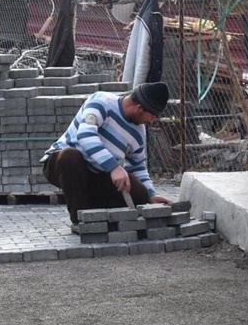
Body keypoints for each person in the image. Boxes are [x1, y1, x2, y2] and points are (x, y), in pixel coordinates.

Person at [41, 81, 174, 226]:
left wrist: (151, 195)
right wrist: (114, 167)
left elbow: (138, 167)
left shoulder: (139, 132)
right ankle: (81, 221)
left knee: (140, 194)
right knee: (70, 156)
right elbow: (85, 135)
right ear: (139, 108)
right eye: (153, 115)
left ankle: (96, 212)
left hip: (97, 174)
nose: (153, 121)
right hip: (60, 165)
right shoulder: (101, 102)